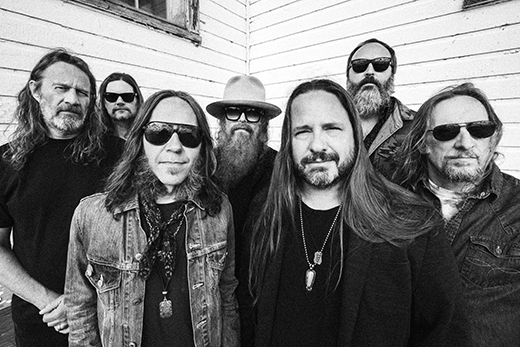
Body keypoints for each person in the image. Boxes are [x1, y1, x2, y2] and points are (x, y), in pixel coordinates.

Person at [244, 79, 469, 347]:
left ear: (355, 135)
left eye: (332, 128)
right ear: (288, 142)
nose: (317, 145)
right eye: (303, 131)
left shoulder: (412, 222)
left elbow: (445, 333)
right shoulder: (264, 213)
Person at [65, 90, 240, 347]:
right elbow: (80, 307)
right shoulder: (93, 215)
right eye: (159, 132)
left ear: (202, 146)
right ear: (139, 140)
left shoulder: (218, 210)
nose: (175, 146)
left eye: (189, 135)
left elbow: (226, 297)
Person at [0, 49, 123, 346]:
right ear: (35, 90)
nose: (72, 99)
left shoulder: (117, 155)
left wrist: (84, 301)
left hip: (109, 315)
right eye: (61, 88)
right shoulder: (7, 162)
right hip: (41, 318)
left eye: (82, 92)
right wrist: (48, 300)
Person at [392, 82, 520, 347]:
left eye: (479, 129)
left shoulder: (516, 208)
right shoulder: (392, 204)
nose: (465, 143)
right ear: (423, 143)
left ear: (493, 138)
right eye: (446, 132)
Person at [206, 75, 281, 270]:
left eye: (252, 113)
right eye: (233, 112)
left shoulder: (280, 168)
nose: (242, 119)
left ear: (262, 124)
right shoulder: (205, 166)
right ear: (223, 121)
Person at [346, 38, 415, 178]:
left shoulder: (416, 126)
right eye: (360, 66)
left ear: (392, 73)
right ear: (348, 75)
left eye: (380, 65)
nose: (370, 72)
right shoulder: (327, 122)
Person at [98, 72, 143, 139]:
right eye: (111, 96)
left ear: (138, 100)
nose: (120, 102)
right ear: (104, 102)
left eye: (127, 96)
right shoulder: (94, 140)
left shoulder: (149, 137)